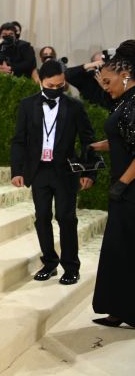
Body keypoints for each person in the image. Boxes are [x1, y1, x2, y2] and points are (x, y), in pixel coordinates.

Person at [11, 60, 96, 285]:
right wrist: (17, 170)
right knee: (42, 218)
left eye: (61, 85)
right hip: (38, 171)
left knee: (67, 218)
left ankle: (71, 267)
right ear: (40, 81)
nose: (56, 89)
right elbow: (19, 140)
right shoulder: (27, 105)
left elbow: (89, 141)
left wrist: (90, 172)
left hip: (66, 171)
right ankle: (49, 263)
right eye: (51, 85)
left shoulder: (74, 106)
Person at [90, 40, 135, 328]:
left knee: (128, 249)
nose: (105, 87)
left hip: (130, 190)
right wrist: (106, 145)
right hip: (124, 189)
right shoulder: (127, 102)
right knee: (119, 248)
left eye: (108, 81)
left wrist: (121, 183)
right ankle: (119, 309)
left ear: (126, 73)